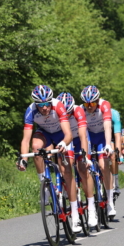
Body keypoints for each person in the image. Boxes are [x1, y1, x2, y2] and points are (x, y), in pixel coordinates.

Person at [17, 85, 81, 233]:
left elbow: (69, 134)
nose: (45, 108)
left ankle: (76, 216)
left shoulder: (58, 106)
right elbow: (25, 140)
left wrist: (64, 144)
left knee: (67, 171)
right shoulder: (31, 110)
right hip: (45, 133)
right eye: (41, 105)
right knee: (35, 147)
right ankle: (44, 186)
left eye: (47, 104)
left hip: (61, 135)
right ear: (36, 104)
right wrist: (24, 159)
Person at [57, 92, 98, 228]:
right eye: (64, 114)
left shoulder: (78, 110)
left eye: (69, 113)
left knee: (82, 167)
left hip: (80, 139)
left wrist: (85, 157)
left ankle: (91, 208)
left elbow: (82, 136)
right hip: (66, 140)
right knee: (66, 168)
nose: (67, 116)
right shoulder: (56, 113)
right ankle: (71, 196)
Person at [80, 85, 116, 216]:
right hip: (89, 137)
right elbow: (82, 133)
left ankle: (110, 201)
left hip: (101, 136)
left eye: (93, 103)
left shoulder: (104, 105)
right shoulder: (81, 110)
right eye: (86, 103)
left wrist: (108, 144)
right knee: (85, 164)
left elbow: (107, 126)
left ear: (98, 100)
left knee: (103, 165)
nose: (89, 106)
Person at [110, 108, 123, 197]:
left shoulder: (114, 114)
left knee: (113, 155)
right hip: (99, 135)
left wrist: (119, 154)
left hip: (112, 135)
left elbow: (118, 137)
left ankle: (115, 182)